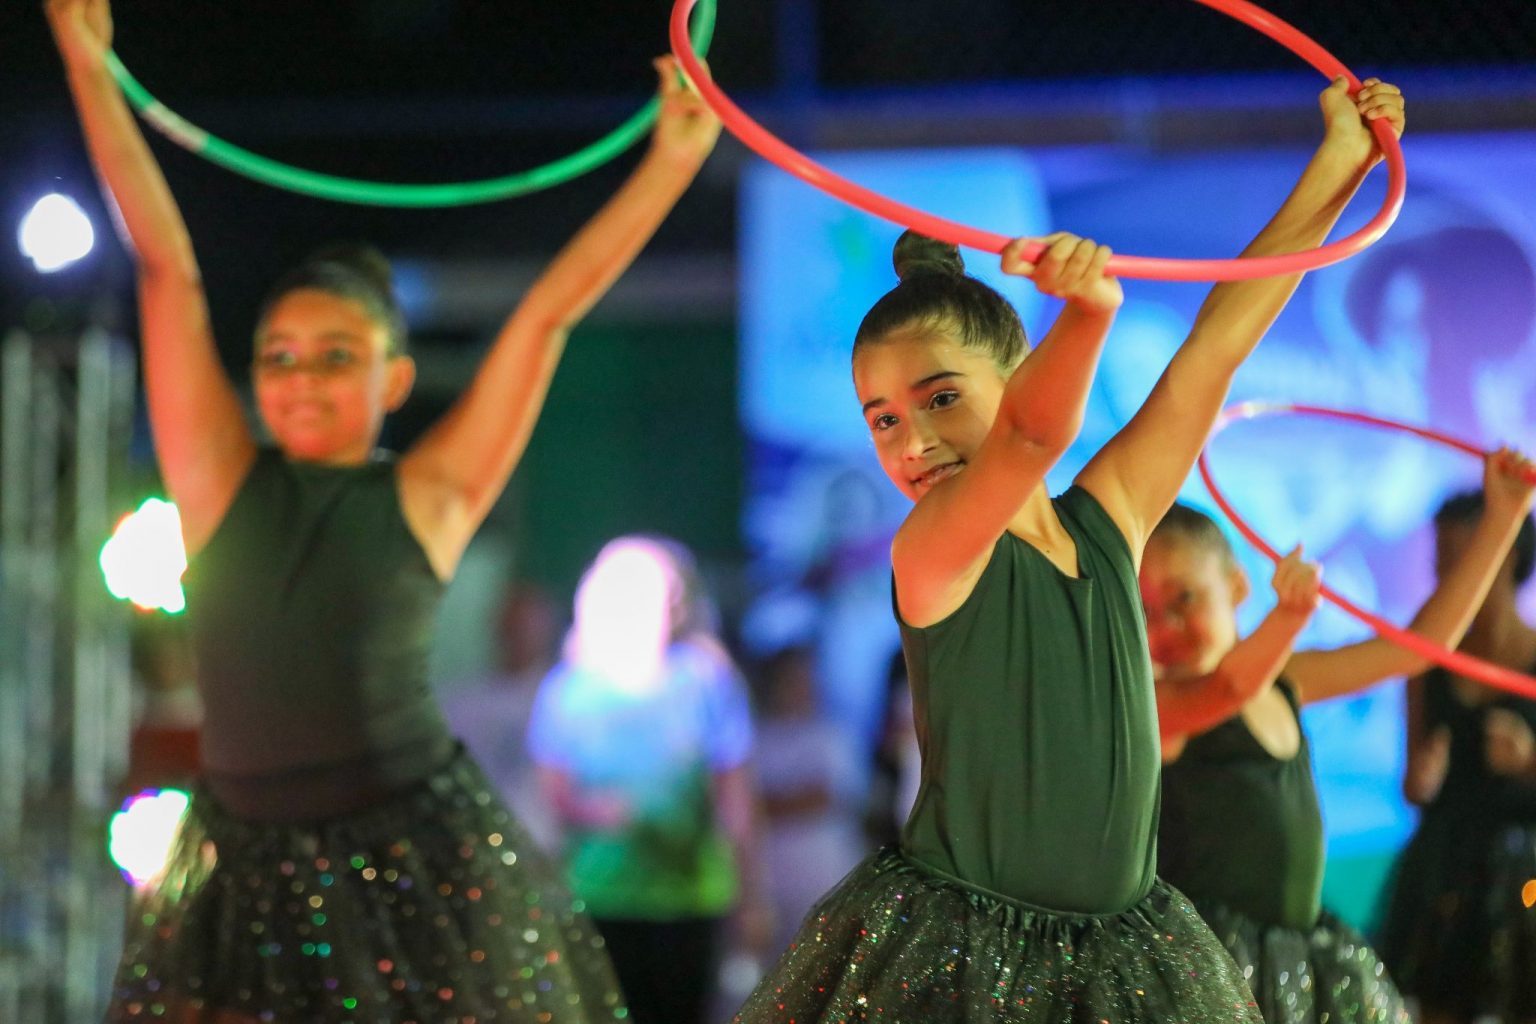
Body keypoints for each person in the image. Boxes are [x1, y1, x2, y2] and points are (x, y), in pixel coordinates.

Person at [47, 0, 722, 1016]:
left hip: (406, 853)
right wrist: (86, 65)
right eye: (277, 357)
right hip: (238, 864)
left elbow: (547, 314)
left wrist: (669, 164)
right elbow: (168, 269)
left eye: (336, 358)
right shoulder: (223, 480)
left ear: (394, 381)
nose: (302, 380)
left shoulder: (431, 492)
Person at [731, 73, 1405, 1023]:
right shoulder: (931, 551)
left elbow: (1218, 344)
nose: (910, 442)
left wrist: (1340, 156)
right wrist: (1091, 313)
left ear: (1015, 375)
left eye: (939, 398)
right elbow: (1030, 442)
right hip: (966, 963)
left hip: (1128, 955)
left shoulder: (1108, 520)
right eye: (881, 419)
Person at [1143, 445, 1534, 1024]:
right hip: (1204, 976)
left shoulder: (1286, 681)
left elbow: (1419, 646)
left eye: (1184, 598)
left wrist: (1503, 518)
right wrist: (1285, 621)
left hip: (1295, 965)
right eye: (1145, 611)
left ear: (1237, 586)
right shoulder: (1159, 706)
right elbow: (1226, 687)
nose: (1167, 628)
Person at [528, 536, 770, 1024]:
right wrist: (597, 812)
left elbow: (736, 800)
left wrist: (751, 897)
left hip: (689, 900)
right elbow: (552, 799)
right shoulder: (567, 690)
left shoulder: (706, 681)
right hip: (598, 899)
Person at [1378, 488, 1536, 1024]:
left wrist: (1529, 763)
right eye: (1439, 556)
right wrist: (1421, 779)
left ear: (1506, 552)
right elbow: (1411, 788)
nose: (1445, 569)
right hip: (1445, 871)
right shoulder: (1427, 664)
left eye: (1458, 553)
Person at [440, 583, 563, 849]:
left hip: (539, 846)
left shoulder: (564, 701)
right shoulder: (461, 703)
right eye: (514, 625)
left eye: (529, 625)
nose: (520, 634)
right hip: (472, 844)